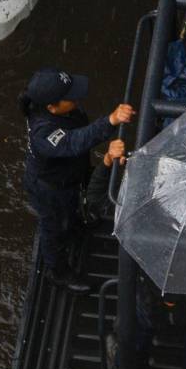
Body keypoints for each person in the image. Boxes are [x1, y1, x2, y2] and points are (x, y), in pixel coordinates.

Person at [21, 68, 134, 293]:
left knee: (71, 212)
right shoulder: (43, 132)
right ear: (52, 106)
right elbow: (74, 141)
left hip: (70, 174)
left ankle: (75, 224)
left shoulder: (60, 112)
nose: (76, 98)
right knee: (53, 228)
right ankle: (58, 273)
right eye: (70, 97)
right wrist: (110, 121)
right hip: (51, 189)